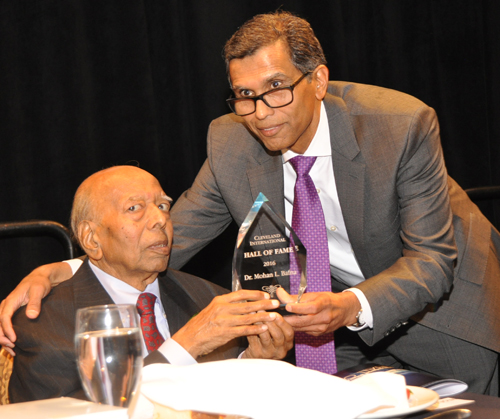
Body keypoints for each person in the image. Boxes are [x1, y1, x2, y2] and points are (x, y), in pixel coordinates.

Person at [2, 11, 499, 394]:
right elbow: (165, 236)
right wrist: (68, 269)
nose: (260, 114)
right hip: (335, 344)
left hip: (452, 319)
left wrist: (348, 306)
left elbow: (433, 261)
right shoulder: (231, 142)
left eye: (276, 89)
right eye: (244, 95)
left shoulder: (399, 125)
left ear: (319, 82)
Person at [7, 165, 293, 403]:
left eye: (163, 206)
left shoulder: (208, 297)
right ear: (91, 238)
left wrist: (253, 362)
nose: (160, 219)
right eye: (134, 208)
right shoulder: (43, 322)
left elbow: (226, 401)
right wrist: (184, 346)